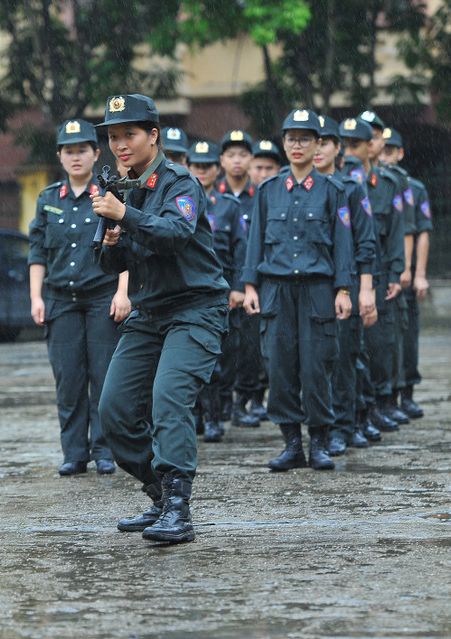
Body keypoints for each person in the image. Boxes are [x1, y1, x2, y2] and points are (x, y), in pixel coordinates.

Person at [91, 94, 229, 544]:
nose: (120, 145)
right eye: (113, 137)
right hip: (150, 312)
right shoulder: (118, 187)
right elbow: (109, 264)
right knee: (113, 410)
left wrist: (124, 216)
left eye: (129, 134)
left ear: (154, 135)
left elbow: (173, 235)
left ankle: (178, 508)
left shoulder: (179, 182)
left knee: (169, 398)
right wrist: (112, 241)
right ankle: (158, 494)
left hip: (195, 308)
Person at [243, 109, 354, 472]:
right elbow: (255, 239)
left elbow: (342, 243)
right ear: (283, 142)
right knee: (280, 368)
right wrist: (249, 286)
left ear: (318, 144)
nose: (297, 145)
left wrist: (344, 289)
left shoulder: (333, 191)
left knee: (317, 367)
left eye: (305, 139)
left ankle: (319, 441)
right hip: (275, 290)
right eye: (291, 138)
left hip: (318, 290)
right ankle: (291, 443)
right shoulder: (268, 190)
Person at [28, 118, 130, 476]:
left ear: (95, 153)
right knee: (68, 380)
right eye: (69, 151)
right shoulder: (47, 199)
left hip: (102, 296)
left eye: (82, 150)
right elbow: (37, 252)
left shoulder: (109, 195)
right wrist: (36, 298)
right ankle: (74, 452)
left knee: (103, 379)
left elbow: (125, 245)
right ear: (59, 155)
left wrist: (122, 292)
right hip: (60, 300)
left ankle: (104, 450)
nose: (76, 157)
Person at [314, 115, 377, 456]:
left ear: (338, 149)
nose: (318, 148)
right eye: (314, 141)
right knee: (312, 362)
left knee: (343, 358)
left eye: (325, 142)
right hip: (307, 287)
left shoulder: (351, 189)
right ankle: (317, 428)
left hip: (346, 285)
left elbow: (365, 243)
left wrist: (365, 289)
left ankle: (342, 426)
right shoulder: (288, 188)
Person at [342, 111, 405, 436]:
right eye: (345, 144)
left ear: (371, 146)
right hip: (345, 275)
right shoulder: (337, 183)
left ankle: (380, 403)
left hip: (378, 274)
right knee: (354, 348)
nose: (350, 151)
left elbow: (395, 231)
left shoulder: (387, 184)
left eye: (356, 144)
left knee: (380, 344)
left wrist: (397, 272)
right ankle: (359, 410)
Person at [187, 139, 247, 443]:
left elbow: (241, 250)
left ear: (216, 168)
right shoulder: (180, 201)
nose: (202, 171)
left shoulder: (228, 206)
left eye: (207, 166)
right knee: (194, 358)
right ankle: (199, 416)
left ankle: (216, 414)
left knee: (221, 357)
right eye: (196, 166)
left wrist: (239, 288)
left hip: (222, 292)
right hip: (189, 291)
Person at [379, 127, 433, 418]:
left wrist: (418, 272)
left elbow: (421, 231)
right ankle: (386, 395)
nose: (385, 157)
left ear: (400, 153)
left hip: (405, 274)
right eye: (381, 150)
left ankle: (407, 392)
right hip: (381, 272)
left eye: (391, 151)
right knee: (386, 339)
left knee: (408, 337)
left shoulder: (414, 187)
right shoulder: (372, 184)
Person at [219, 129, 265, 428]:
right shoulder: (212, 196)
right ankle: (220, 404)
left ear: (251, 160)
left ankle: (243, 401)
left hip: (253, 284)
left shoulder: (261, 195)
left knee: (250, 347)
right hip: (218, 287)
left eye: (243, 155)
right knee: (222, 347)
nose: (237, 160)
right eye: (231, 154)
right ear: (222, 160)